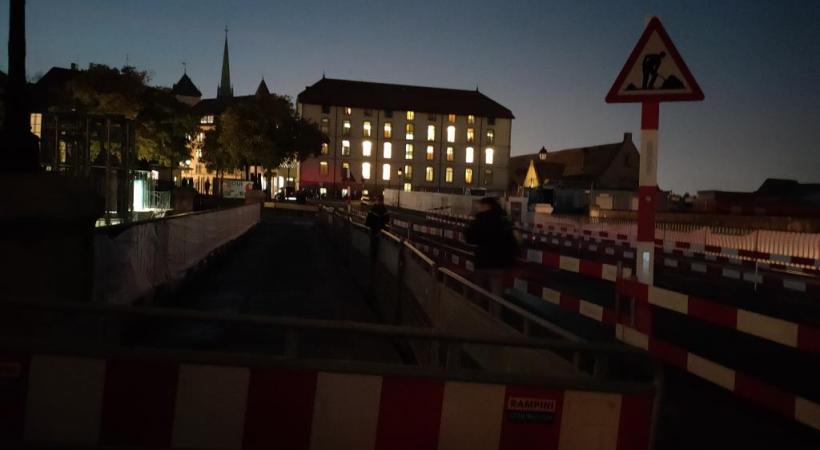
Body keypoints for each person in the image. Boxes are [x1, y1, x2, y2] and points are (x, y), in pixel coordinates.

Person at [465, 197, 518, 298]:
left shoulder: (481, 219)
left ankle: (478, 312)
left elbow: (469, 237)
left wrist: (473, 218)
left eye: (481, 205)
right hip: (499, 264)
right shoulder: (503, 219)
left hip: (483, 262)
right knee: (496, 294)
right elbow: (511, 241)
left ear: (486, 206)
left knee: (478, 290)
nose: (479, 207)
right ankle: (495, 313)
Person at [365, 194, 390, 260]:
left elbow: (368, 219)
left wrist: (368, 227)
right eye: (378, 200)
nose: (379, 202)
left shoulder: (375, 209)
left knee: (376, 246)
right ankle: (374, 259)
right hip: (376, 231)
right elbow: (387, 220)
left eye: (379, 200)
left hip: (377, 231)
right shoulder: (383, 210)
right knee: (376, 246)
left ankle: (374, 259)